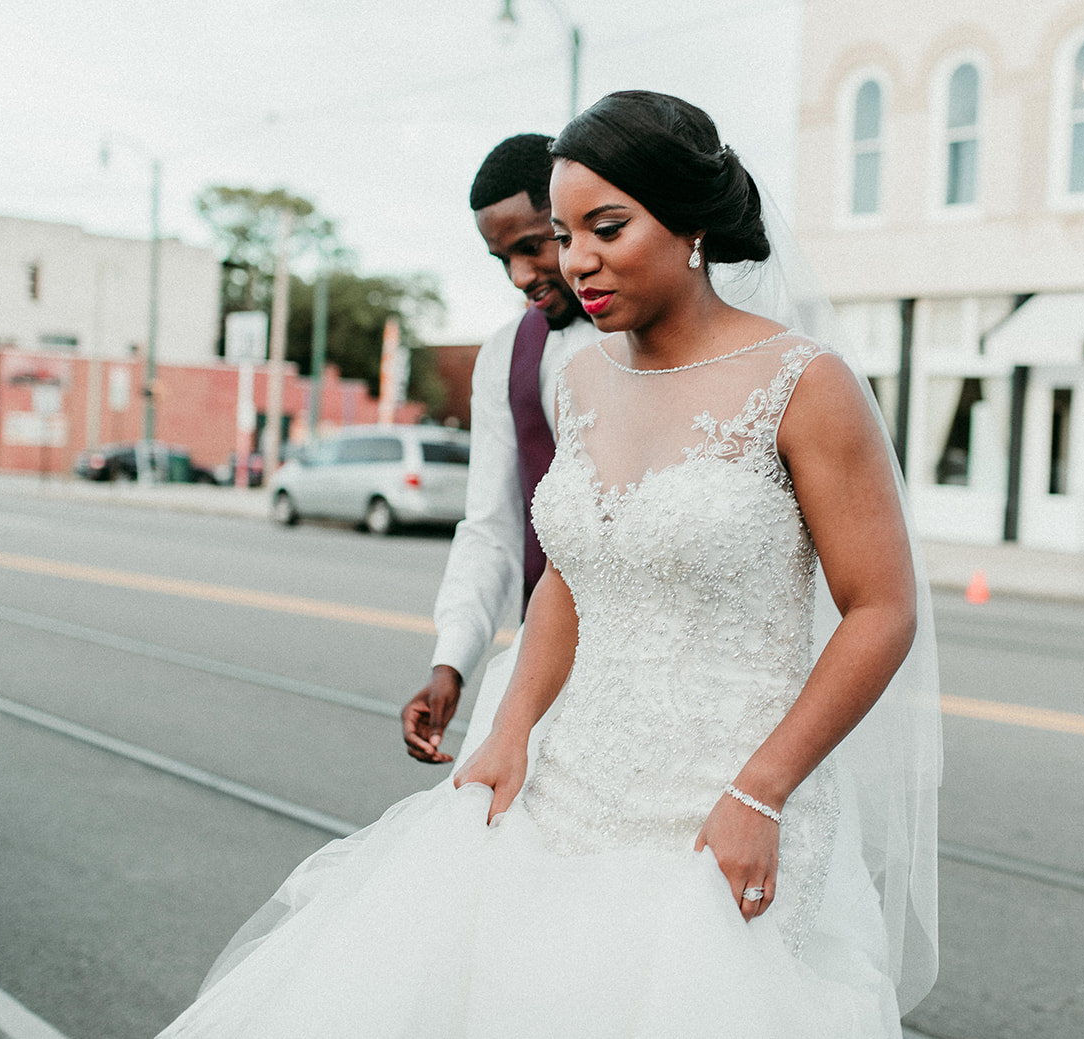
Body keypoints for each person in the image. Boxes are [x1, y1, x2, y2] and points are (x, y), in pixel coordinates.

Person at [156, 90, 939, 1038]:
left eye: (606, 228)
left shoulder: (804, 383)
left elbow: (880, 610)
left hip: (725, 793)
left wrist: (758, 790)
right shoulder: (579, 381)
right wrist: (512, 727)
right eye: (564, 234)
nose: (575, 262)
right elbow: (571, 569)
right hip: (566, 777)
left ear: (690, 223)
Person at [400, 132, 594, 766]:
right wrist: (453, 658)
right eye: (500, 259)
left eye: (532, 247)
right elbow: (491, 527)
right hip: (555, 673)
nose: (520, 276)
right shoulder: (507, 357)